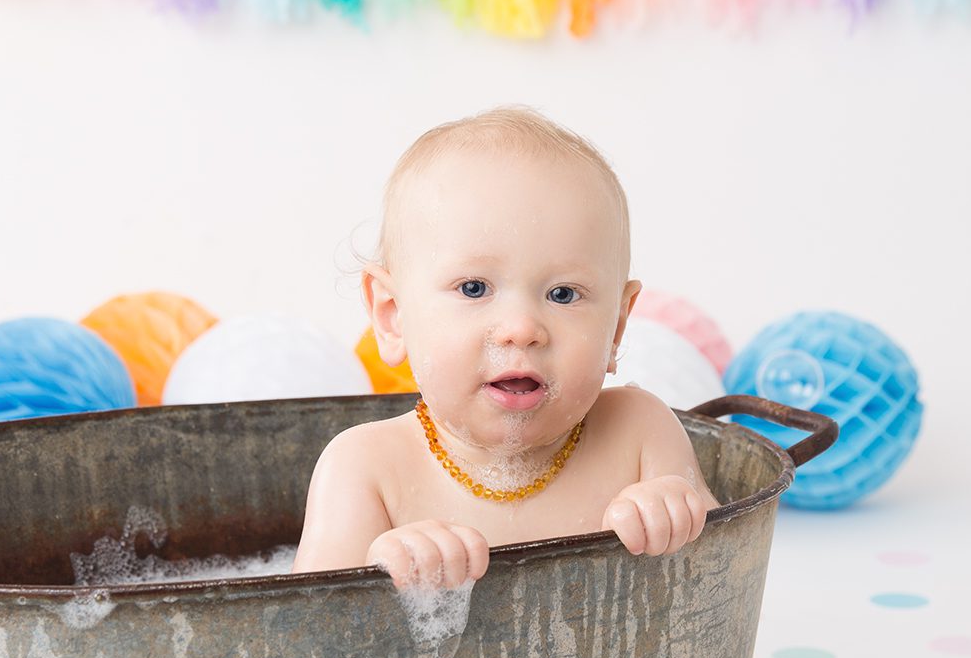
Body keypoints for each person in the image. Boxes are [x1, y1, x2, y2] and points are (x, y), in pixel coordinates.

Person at [292, 105, 717, 588]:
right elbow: (309, 632)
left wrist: (677, 509)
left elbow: (723, 574)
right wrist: (377, 571)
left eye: (563, 294)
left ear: (616, 329)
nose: (521, 329)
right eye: (474, 288)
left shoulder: (640, 433)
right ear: (392, 316)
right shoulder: (366, 468)